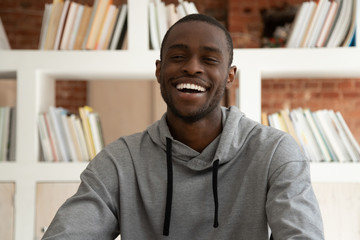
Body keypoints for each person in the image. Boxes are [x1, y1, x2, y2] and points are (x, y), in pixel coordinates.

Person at [42, 14, 324, 239]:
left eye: (209, 59)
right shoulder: (120, 161)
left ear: (229, 76)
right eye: (177, 57)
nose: (192, 68)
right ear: (159, 70)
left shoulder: (274, 152)